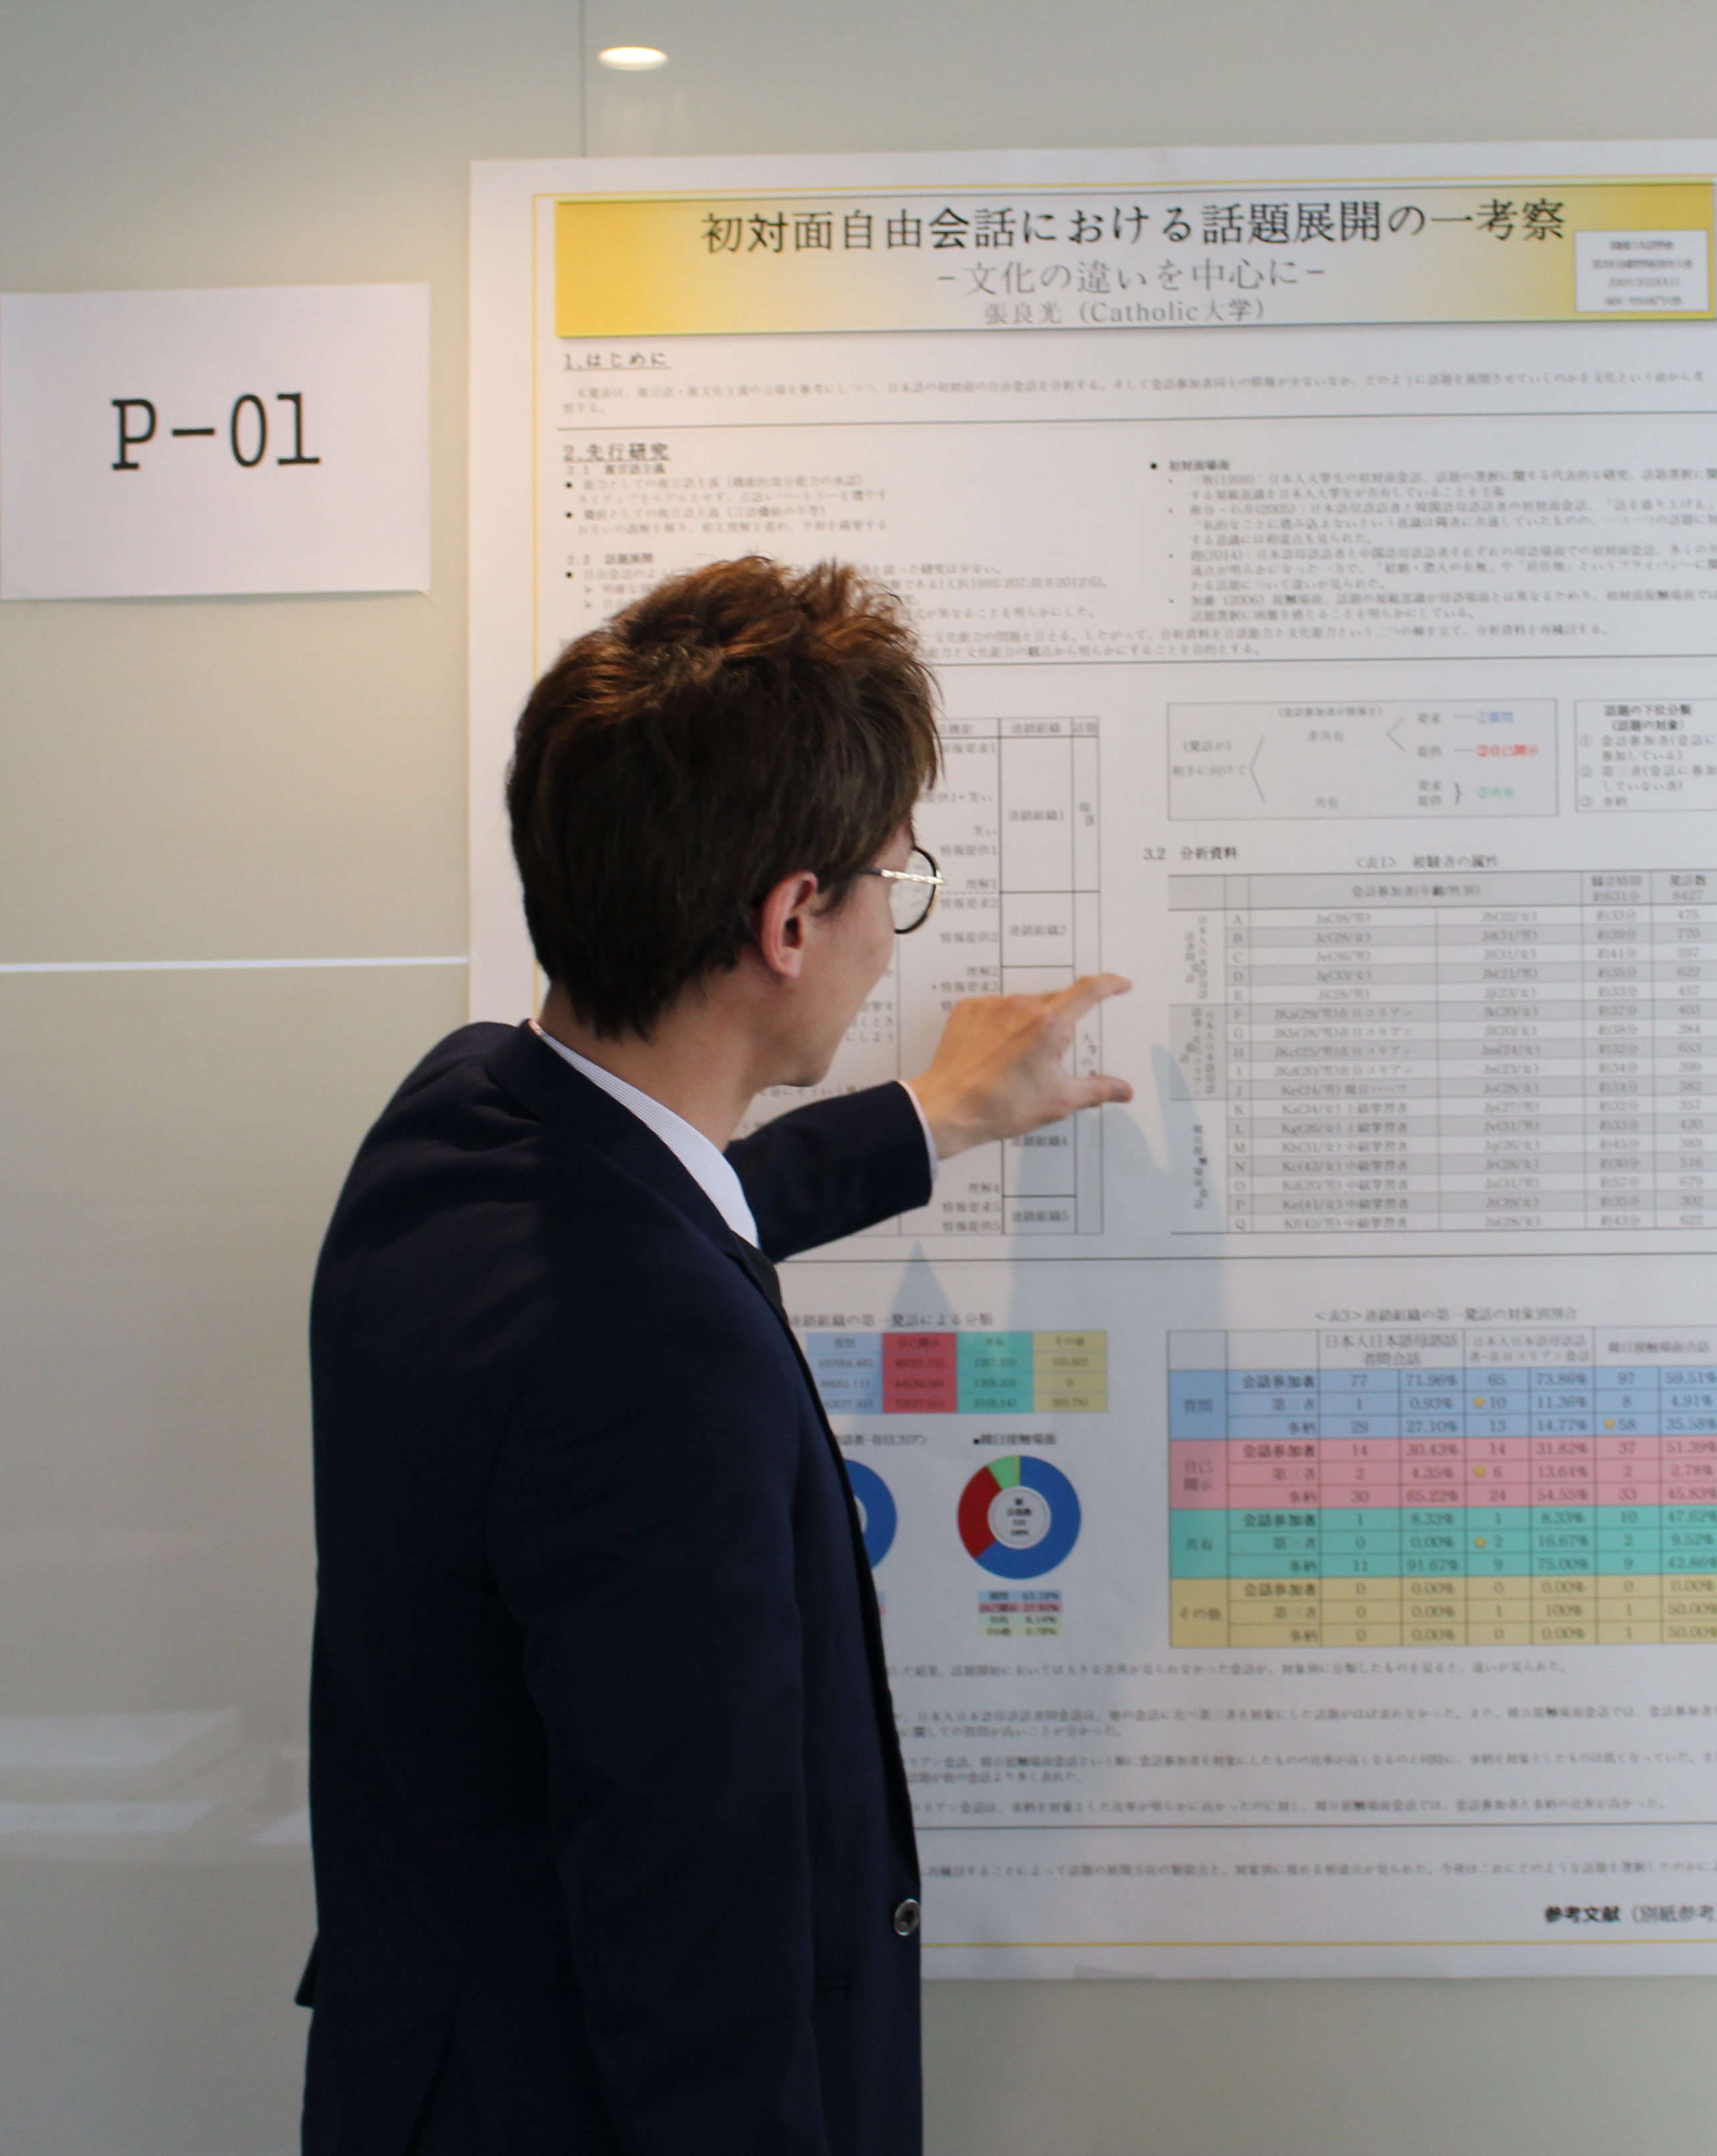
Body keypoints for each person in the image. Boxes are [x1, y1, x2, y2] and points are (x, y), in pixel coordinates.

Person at [296, 559, 1128, 2156]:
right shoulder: (654, 1357)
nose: (895, 929)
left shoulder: (456, 1123)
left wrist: (927, 1118)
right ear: (792, 919)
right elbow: (703, 1966)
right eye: (895, 881)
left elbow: (661, 1204)